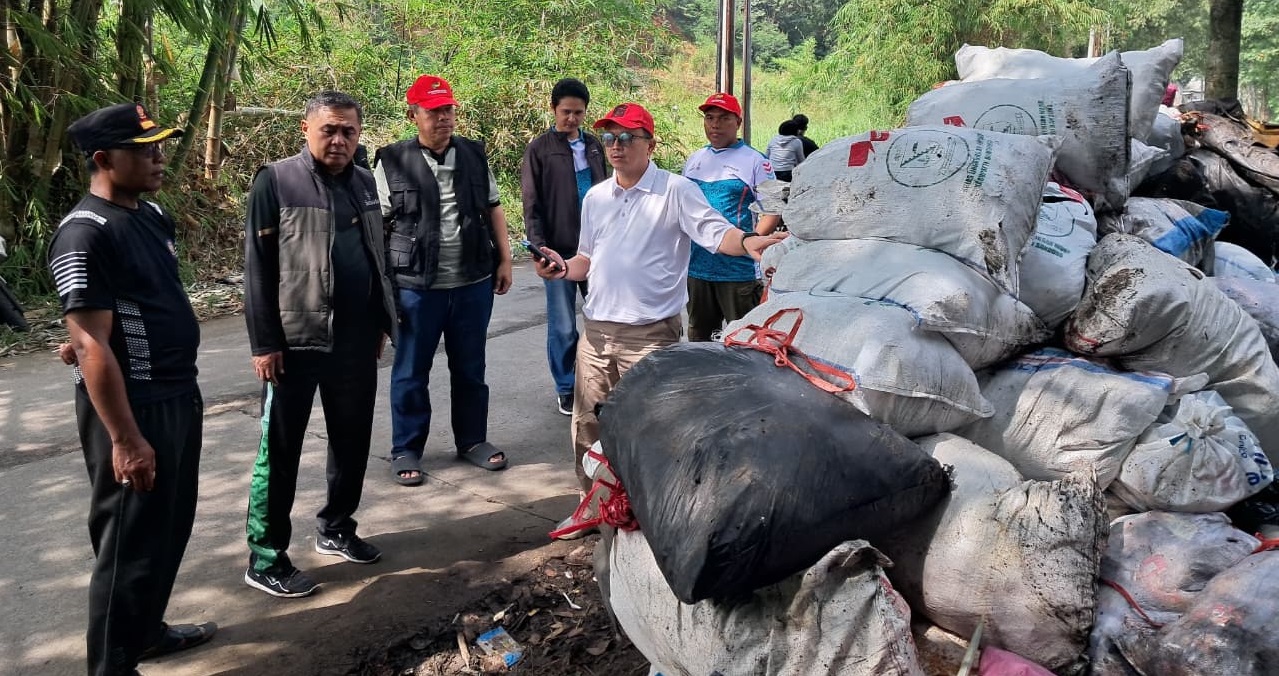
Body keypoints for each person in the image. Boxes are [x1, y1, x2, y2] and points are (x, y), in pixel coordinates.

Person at [530, 102, 787, 537]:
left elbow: (714, 232)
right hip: (596, 335)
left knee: (654, 431)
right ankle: (591, 505)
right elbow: (586, 259)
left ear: (651, 144)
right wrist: (561, 266)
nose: (616, 146)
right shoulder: (596, 197)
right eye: (609, 138)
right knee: (588, 427)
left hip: (649, 336)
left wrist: (749, 241)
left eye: (628, 137)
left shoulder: (675, 190)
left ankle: (653, 516)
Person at [50, 102, 215, 675]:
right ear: (104, 159)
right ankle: (111, 666)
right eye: (144, 149)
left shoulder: (150, 214)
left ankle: (146, 632)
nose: (158, 156)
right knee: (127, 544)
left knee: (168, 527)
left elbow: (137, 307)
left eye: (159, 144)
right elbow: (92, 344)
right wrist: (124, 438)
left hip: (176, 392)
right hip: (133, 408)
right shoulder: (83, 233)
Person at [242, 90, 397, 598]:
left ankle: (336, 527)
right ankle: (266, 556)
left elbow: (376, 256)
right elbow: (258, 268)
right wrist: (265, 343)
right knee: (280, 452)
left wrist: (380, 322)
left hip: (354, 342)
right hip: (295, 343)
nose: (339, 139)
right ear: (306, 130)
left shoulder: (362, 182)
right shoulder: (277, 180)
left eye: (348, 131)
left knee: (351, 443)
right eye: (329, 129)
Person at [374, 74, 514, 486]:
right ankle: (406, 448)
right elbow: (378, 226)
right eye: (434, 111)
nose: (443, 118)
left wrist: (504, 259)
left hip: (472, 281)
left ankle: (472, 440)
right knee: (411, 370)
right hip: (416, 286)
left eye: (448, 109)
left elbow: (494, 207)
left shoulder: (473, 153)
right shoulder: (392, 160)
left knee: (471, 367)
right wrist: (380, 288)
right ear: (413, 114)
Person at [520, 78, 607, 416]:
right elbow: (532, 203)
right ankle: (567, 387)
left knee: (602, 319)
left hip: (597, 250)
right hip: (558, 250)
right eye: (566, 112)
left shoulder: (596, 146)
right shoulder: (540, 149)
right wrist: (540, 247)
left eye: (579, 113)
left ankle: (599, 382)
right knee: (562, 325)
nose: (572, 119)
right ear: (553, 109)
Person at [681, 92, 782, 342]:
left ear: (737, 122)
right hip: (697, 268)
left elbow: (772, 208)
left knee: (744, 340)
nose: (715, 124)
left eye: (724, 118)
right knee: (699, 341)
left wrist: (751, 241)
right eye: (709, 117)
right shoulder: (695, 159)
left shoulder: (755, 161)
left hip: (738, 271)